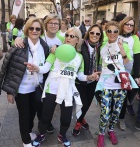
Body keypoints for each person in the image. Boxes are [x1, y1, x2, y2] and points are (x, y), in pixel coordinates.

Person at [27, 27, 99, 147]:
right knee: (45, 116)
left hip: (67, 90)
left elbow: (79, 75)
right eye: (67, 35)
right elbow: (45, 68)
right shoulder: (55, 52)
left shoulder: (79, 57)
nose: (68, 38)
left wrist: (89, 77)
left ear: (77, 40)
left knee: (66, 118)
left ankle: (62, 135)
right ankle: (41, 134)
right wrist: (37, 68)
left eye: (72, 36)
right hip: (52, 88)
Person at [0, 18, 49, 147]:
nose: (34, 31)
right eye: (31, 28)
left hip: (37, 87)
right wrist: (10, 92)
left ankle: (28, 132)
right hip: (22, 88)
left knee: (32, 113)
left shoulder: (44, 46)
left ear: (41, 31)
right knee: (24, 115)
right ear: (27, 30)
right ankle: (26, 141)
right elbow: (9, 69)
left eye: (37, 28)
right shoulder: (19, 45)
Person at [14, 14, 62, 133]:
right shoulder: (40, 37)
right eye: (50, 23)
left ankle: (45, 122)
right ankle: (36, 125)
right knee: (36, 105)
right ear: (45, 25)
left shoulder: (61, 39)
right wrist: (17, 38)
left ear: (59, 26)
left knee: (45, 104)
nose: (53, 25)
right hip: (38, 75)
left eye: (56, 23)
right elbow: (27, 38)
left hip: (52, 75)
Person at [96, 21, 133, 147]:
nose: (112, 33)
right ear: (106, 32)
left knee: (116, 111)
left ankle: (111, 130)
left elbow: (128, 64)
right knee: (105, 112)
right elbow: (102, 64)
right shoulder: (102, 47)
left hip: (120, 85)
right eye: (109, 31)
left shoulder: (124, 45)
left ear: (119, 32)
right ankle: (101, 133)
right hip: (106, 84)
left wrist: (122, 49)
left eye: (115, 31)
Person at [72, 24, 103, 136]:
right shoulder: (81, 45)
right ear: (88, 33)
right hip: (80, 80)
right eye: (92, 32)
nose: (94, 35)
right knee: (83, 103)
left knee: (88, 103)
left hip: (93, 80)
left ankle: (81, 118)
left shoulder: (100, 47)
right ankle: (78, 122)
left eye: (97, 33)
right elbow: (68, 42)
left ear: (100, 36)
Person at [118, 16, 140, 131]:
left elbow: (137, 58)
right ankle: (111, 117)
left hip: (127, 73)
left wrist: (136, 76)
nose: (129, 26)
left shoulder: (135, 38)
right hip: (114, 72)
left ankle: (121, 119)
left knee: (123, 97)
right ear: (122, 24)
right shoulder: (116, 35)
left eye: (131, 25)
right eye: (127, 24)